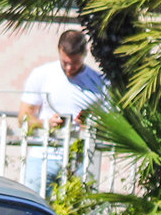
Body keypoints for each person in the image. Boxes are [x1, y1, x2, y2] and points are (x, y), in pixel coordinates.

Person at [20, 28, 107, 196]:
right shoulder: (42, 74)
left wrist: (89, 124)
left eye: (74, 63)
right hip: (43, 154)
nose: (69, 68)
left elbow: (110, 123)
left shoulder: (98, 83)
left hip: (80, 158)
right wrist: (46, 123)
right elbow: (23, 116)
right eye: (64, 62)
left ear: (84, 54)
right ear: (59, 51)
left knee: (79, 211)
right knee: (32, 206)